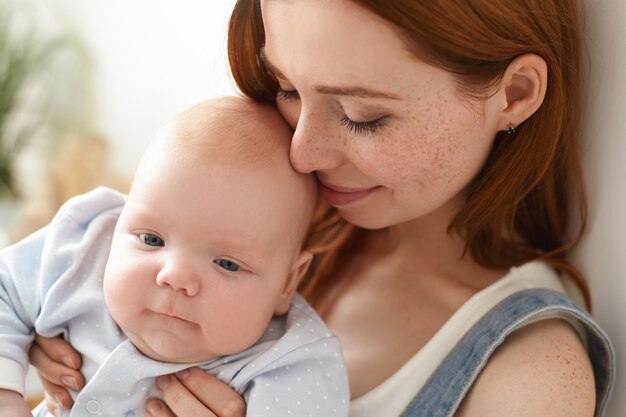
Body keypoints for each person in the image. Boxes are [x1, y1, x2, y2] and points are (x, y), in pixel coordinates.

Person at [30, 1, 616, 416]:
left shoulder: (530, 377)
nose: (302, 152)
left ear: (513, 95)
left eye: (364, 116)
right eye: (287, 88)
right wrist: (58, 354)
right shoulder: (235, 213)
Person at [0, 97, 349, 417]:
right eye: (152, 239)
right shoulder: (83, 248)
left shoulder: (292, 364)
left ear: (287, 283)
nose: (175, 276)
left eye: (227, 263)